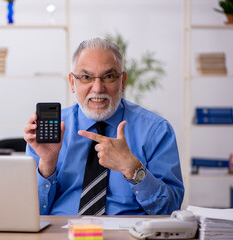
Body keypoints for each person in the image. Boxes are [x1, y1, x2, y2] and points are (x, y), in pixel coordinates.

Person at [24, 37, 184, 215]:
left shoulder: (156, 130)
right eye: (86, 77)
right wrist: (47, 164)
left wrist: (133, 169)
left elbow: (170, 210)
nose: (98, 88)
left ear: (122, 81)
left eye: (108, 76)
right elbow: (29, 214)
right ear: (72, 83)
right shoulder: (50, 131)